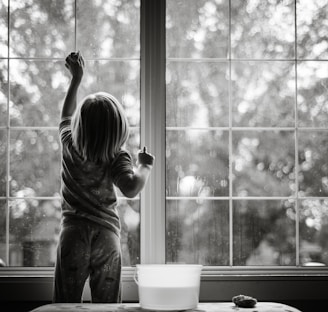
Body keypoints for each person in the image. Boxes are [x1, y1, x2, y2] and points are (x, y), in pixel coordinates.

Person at [53, 51, 154, 303]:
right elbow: (131, 189)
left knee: (65, 303)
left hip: (73, 234)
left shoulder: (69, 144)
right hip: (106, 237)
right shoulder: (117, 156)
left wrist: (76, 79)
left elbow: (65, 116)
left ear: (79, 125)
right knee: (107, 305)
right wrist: (144, 166)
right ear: (119, 129)